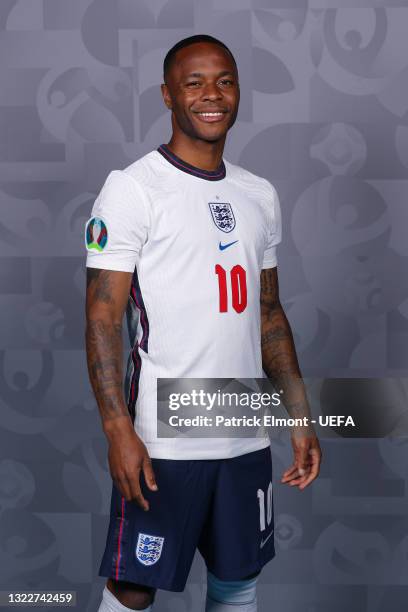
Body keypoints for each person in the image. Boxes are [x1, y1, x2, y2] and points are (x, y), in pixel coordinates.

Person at [85, 34, 322, 612]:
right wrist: (119, 429)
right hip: (163, 437)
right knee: (134, 588)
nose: (211, 95)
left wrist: (298, 415)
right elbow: (102, 317)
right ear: (168, 95)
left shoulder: (258, 194)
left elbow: (268, 314)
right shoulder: (133, 188)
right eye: (194, 83)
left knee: (238, 580)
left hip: (243, 428)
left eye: (224, 81)